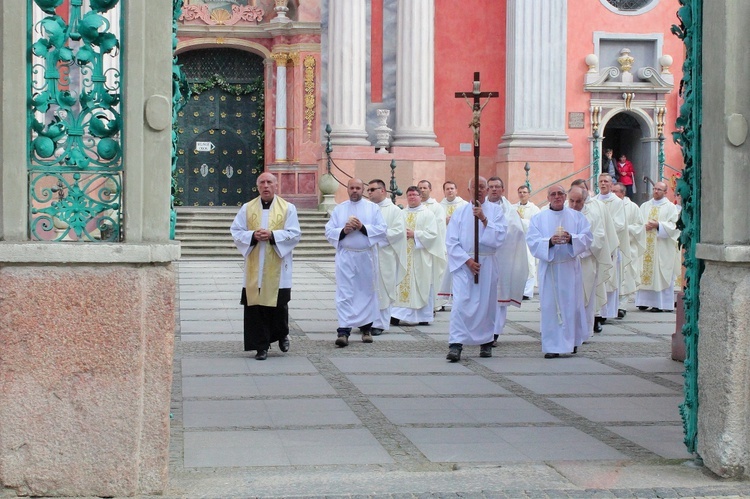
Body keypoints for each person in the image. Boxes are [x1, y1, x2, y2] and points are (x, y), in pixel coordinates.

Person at [230, 172, 301, 360]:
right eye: (262, 182)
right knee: (256, 307)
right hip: (255, 265)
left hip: (278, 263)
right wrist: (252, 236)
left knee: (278, 305)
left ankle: (282, 334)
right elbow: (236, 231)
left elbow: (294, 234)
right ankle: (261, 346)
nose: (266, 185)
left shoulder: (288, 208)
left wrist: (273, 236)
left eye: (269, 182)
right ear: (258, 186)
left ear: (276, 185)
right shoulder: (247, 208)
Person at [527, 185, 592, 358]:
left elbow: (587, 238)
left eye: (560, 194)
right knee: (549, 306)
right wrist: (549, 242)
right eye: (553, 194)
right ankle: (552, 346)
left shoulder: (577, 217)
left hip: (569, 267)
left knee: (571, 305)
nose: (557, 197)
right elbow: (532, 241)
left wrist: (572, 239)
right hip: (550, 268)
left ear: (565, 197)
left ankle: (571, 342)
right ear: (548, 198)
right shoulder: (538, 218)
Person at [445, 176, 506, 361]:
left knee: (486, 304)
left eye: (482, 187)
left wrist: (484, 219)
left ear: (487, 190)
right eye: (475, 187)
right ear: (469, 190)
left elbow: (501, 236)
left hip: (486, 263)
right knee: (460, 303)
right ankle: (456, 344)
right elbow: (451, 241)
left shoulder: (496, 211)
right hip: (464, 265)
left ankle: (486, 342)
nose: (479, 190)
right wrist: (468, 261)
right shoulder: (459, 212)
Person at [325, 178, 387, 347]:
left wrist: (362, 227)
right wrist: (343, 231)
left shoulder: (372, 208)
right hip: (346, 257)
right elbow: (329, 231)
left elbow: (382, 229)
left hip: (365, 257)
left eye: (358, 188)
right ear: (347, 189)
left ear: (363, 189)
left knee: (366, 291)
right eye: (351, 187)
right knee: (345, 293)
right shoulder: (339, 209)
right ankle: (343, 331)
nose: (354, 190)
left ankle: (366, 329)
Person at [391, 186, 445, 325]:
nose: (412, 197)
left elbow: (433, 235)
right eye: (409, 195)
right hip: (404, 256)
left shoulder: (428, 214)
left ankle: (423, 317)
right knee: (401, 284)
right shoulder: (401, 213)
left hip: (421, 256)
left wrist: (415, 234)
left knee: (422, 285)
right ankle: (397, 315)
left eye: (415, 195)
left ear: (420, 197)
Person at [567, 185, 613, 342]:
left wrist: (579, 248)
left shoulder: (592, 215)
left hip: (586, 262)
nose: (574, 205)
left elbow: (598, 238)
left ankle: (583, 332)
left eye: (578, 201)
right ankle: (565, 331)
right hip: (565, 263)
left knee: (585, 297)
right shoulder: (562, 214)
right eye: (571, 201)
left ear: (584, 200)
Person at [486, 177, 527, 347]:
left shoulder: (509, 211)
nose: (494, 190)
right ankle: (481, 330)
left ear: (503, 189)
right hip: (484, 258)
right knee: (483, 296)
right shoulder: (480, 207)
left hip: (503, 258)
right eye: (491, 187)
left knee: (499, 297)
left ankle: (495, 332)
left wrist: (497, 235)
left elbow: (516, 231)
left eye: (497, 187)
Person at [367, 179, 407, 336]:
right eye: (368, 190)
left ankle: (380, 323)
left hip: (385, 255)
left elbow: (398, 232)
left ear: (382, 190)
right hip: (368, 255)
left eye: (372, 189)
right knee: (368, 288)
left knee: (383, 288)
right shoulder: (367, 209)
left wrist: (374, 236)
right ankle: (367, 320)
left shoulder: (394, 210)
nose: (369, 192)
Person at [636, 182, 681, 312]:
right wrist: (643, 226)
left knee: (660, 273)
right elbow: (637, 222)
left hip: (662, 246)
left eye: (659, 190)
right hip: (646, 244)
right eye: (655, 189)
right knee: (645, 271)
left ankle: (660, 304)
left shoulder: (670, 208)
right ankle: (643, 301)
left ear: (665, 192)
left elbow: (674, 226)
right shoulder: (645, 206)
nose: (656, 191)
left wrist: (659, 225)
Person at [595, 173, 630, 331]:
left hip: (610, 245)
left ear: (611, 184)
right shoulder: (594, 200)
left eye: (606, 182)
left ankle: (607, 311)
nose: (603, 184)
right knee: (598, 278)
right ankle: (597, 310)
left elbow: (619, 224)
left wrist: (604, 232)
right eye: (601, 181)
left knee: (609, 278)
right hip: (597, 245)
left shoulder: (617, 202)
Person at [612, 182, 645, 318]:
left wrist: (624, 230)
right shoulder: (609, 205)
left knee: (625, 277)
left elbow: (639, 226)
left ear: (623, 193)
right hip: (612, 248)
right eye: (612, 191)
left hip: (627, 247)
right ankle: (610, 306)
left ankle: (622, 306)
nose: (613, 194)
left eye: (616, 191)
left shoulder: (632, 207)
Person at [438, 181, 469, 309]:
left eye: (452, 188)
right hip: (444, 242)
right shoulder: (439, 206)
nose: (450, 191)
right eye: (447, 189)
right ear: (444, 191)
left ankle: (458, 298)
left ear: (456, 190)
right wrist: (443, 220)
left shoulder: (465, 205)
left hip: (460, 244)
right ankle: (444, 300)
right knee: (444, 272)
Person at [418, 180, 447, 311]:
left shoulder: (436, 207)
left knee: (432, 277)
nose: (422, 190)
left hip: (432, 249)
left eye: (424, 188)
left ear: (430, 189)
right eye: (420, 188)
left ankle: (433, 305)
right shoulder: (413, 205)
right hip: (417, 248)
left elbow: (439, 228)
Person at [512, 184, 541, 299]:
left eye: (524, 192)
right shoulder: (512, 207)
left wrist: (521, 220)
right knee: (516, 266)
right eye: (520, 192)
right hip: (515, 241)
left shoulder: (534, 209)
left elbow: (534, 225)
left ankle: (526, 292)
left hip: (528, 241)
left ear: (529, 194)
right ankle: (516, 290)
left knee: (529, 266)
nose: (522, 194)